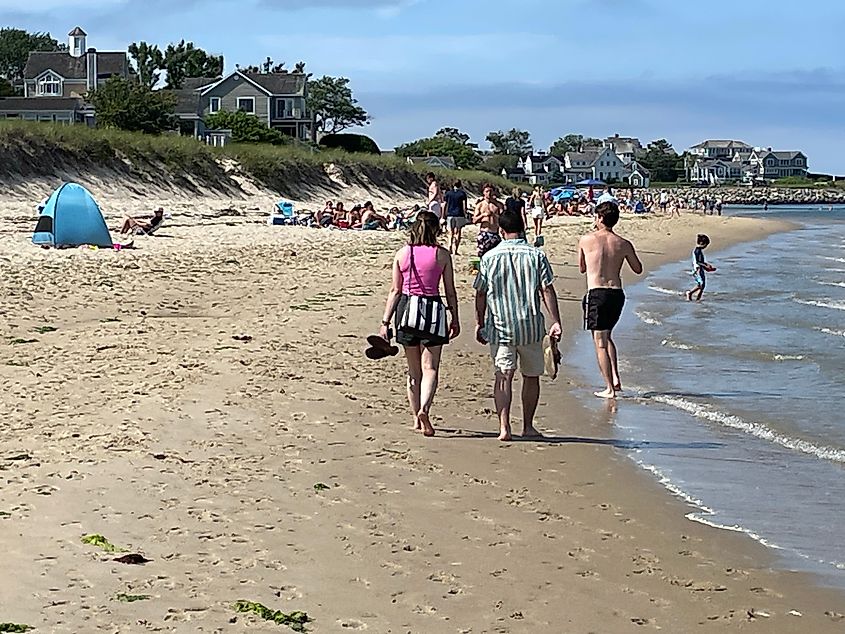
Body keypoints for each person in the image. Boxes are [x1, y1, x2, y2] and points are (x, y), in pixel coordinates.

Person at [474, 211, 562, 441]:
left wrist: (479, 322)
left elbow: (480, 293)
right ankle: (528, 425)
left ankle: (504, 427)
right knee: (531, 376)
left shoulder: (489, 258)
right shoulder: (536, 255)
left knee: (503, 375)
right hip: (530, 325)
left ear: (501, 231)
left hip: (501, 327)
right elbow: (546, 290)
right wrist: (555, 321)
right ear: (523, 228)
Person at [378, 211, 460, 437]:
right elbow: (450, 291)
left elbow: (395, 290)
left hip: (406, 310)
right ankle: (425, 409)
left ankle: (416, 418)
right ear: (436, 230)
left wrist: (385, 322)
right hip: (433, 310)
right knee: (430, 368)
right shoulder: (442, 255)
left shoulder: (403, 253)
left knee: (413, 372)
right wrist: (455, 317)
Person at [578, 200, 643, 399]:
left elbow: (582, 268)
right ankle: (615, 378)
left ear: (599, 218)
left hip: (597, 292)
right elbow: (637, 268)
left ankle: (609, 388)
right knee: (606, 337)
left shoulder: (586, 239)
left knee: (599, 342)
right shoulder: (623, 243)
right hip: (616, 293)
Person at [473, 185, 504, 258]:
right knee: (482, 255)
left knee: (496, 256)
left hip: (495, 233)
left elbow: (503, 219)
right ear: (483, 192)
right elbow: (474, 220)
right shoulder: (480, 205)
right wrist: (483, 215)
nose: (489, 193)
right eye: (487, 191)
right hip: (484, 233)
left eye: (490, 191)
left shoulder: (498, 205)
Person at [444, 180, 469, 254]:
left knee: (450, 232)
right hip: (459, 214)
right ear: (460, 185)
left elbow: (445, 204)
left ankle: (449, 246)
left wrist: (444, 214)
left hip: (450, 214)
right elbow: (464, 205)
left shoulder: (448, 193)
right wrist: (465, 214)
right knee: (458, 232)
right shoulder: (462, 194)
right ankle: (456, 250)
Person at [685, 234, 712, 302]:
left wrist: (706, 264)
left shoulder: (699, 251)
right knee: (701, 284)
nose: (706, 247)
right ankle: (690, 293)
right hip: (697, 270)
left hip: (701, 269)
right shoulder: (697, 251)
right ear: (701, 243)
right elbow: (697, 262)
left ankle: (698, 298)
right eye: (706, 245)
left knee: (702, 285)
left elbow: (701, 261)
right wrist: (705, 265)